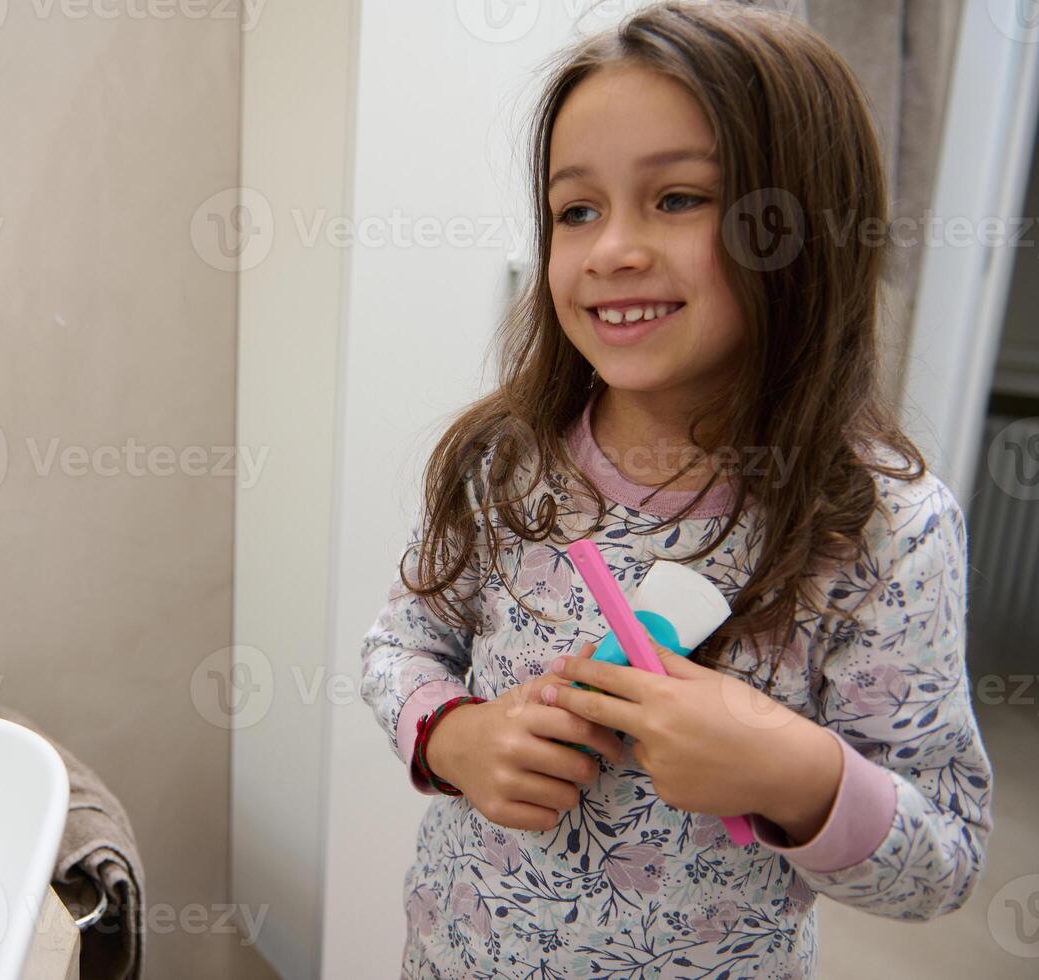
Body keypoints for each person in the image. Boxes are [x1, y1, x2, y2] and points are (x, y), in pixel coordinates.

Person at [358, 2, 995, 975]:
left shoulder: (884, 535)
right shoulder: (505, 461)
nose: (611, 247)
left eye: (679, 198)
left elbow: (942, 861)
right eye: (577, 210)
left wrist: (796, 771)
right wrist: (455, 735)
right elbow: (403, 638)